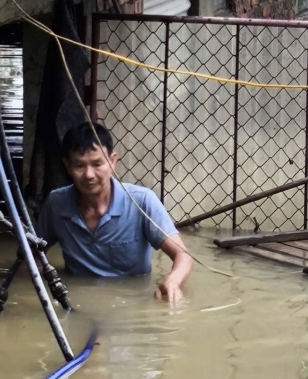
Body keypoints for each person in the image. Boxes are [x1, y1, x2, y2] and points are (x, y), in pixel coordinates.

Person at [35, 122, 193, 302]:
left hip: (133, 303)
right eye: (79, 166)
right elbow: (34, 257)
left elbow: (184, 256)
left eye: (97, 164)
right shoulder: (56, 203)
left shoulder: (142, 201)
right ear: (67, 166)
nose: (89, 175)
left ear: (112, 161)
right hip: (76, 301)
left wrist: (173, 282)